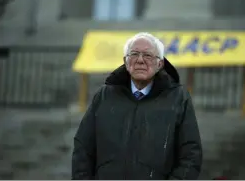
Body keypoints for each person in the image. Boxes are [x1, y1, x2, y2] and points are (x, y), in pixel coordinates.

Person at [72, 32, 202, 180]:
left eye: (148, 55)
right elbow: (83, 148)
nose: (140, 60)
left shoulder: (178, 99)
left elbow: (191, 155)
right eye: (134, 54)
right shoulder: (104, 96)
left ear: (160, 64)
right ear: (126, 61)